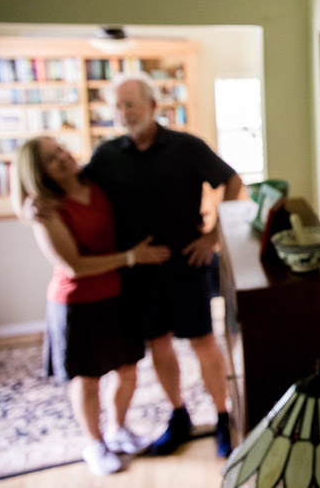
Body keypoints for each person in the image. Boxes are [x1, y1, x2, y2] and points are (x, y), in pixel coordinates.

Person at [83, 73, 244, 458]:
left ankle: (223, 417)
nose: (124, 113)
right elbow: (73, 188)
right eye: (118, 106)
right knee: (159, 346)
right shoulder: (106, 155)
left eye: (132, 104)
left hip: (187, 265)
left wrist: (213, 237)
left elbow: (232, 180)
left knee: (203, 343)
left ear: (154, 106)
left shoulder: (186, 146)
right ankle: (178, 415)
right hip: (138, 273)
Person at [12, 137, 171, 475]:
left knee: (128, 370)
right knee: (88, 380)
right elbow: (75, 266)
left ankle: (117, 428)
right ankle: (94, 443)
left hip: (117, 293)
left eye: (61, 150)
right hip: (78, 303)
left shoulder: (95, 181)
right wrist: (131, 258)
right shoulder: (46, 209)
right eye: (51, 160)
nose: (63, 158)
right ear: (39, 173)